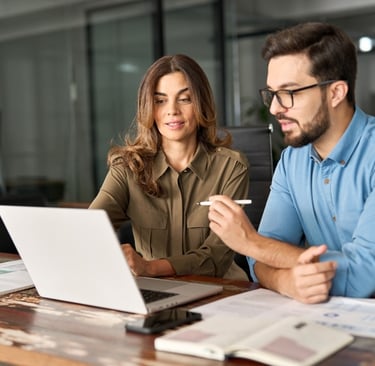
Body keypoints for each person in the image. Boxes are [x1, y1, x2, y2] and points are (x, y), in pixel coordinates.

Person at [207, 22, 375, 303]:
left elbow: (364, 274)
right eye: (272, 93)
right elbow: (259, 263)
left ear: (335, 93)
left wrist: (251, 242)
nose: (274, 108)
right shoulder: (292, 160)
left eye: (289, 93)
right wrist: (286, 281)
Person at [89, 54, 249, 280]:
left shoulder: (231, 167)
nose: (172, 110)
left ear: (201, 103)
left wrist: (150, 268)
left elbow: (217, 255)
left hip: (221, 289)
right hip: (155, 291)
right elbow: (91, 227)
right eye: (160, 100)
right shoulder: (127, 168)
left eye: (185, 99)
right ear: (148, 106)